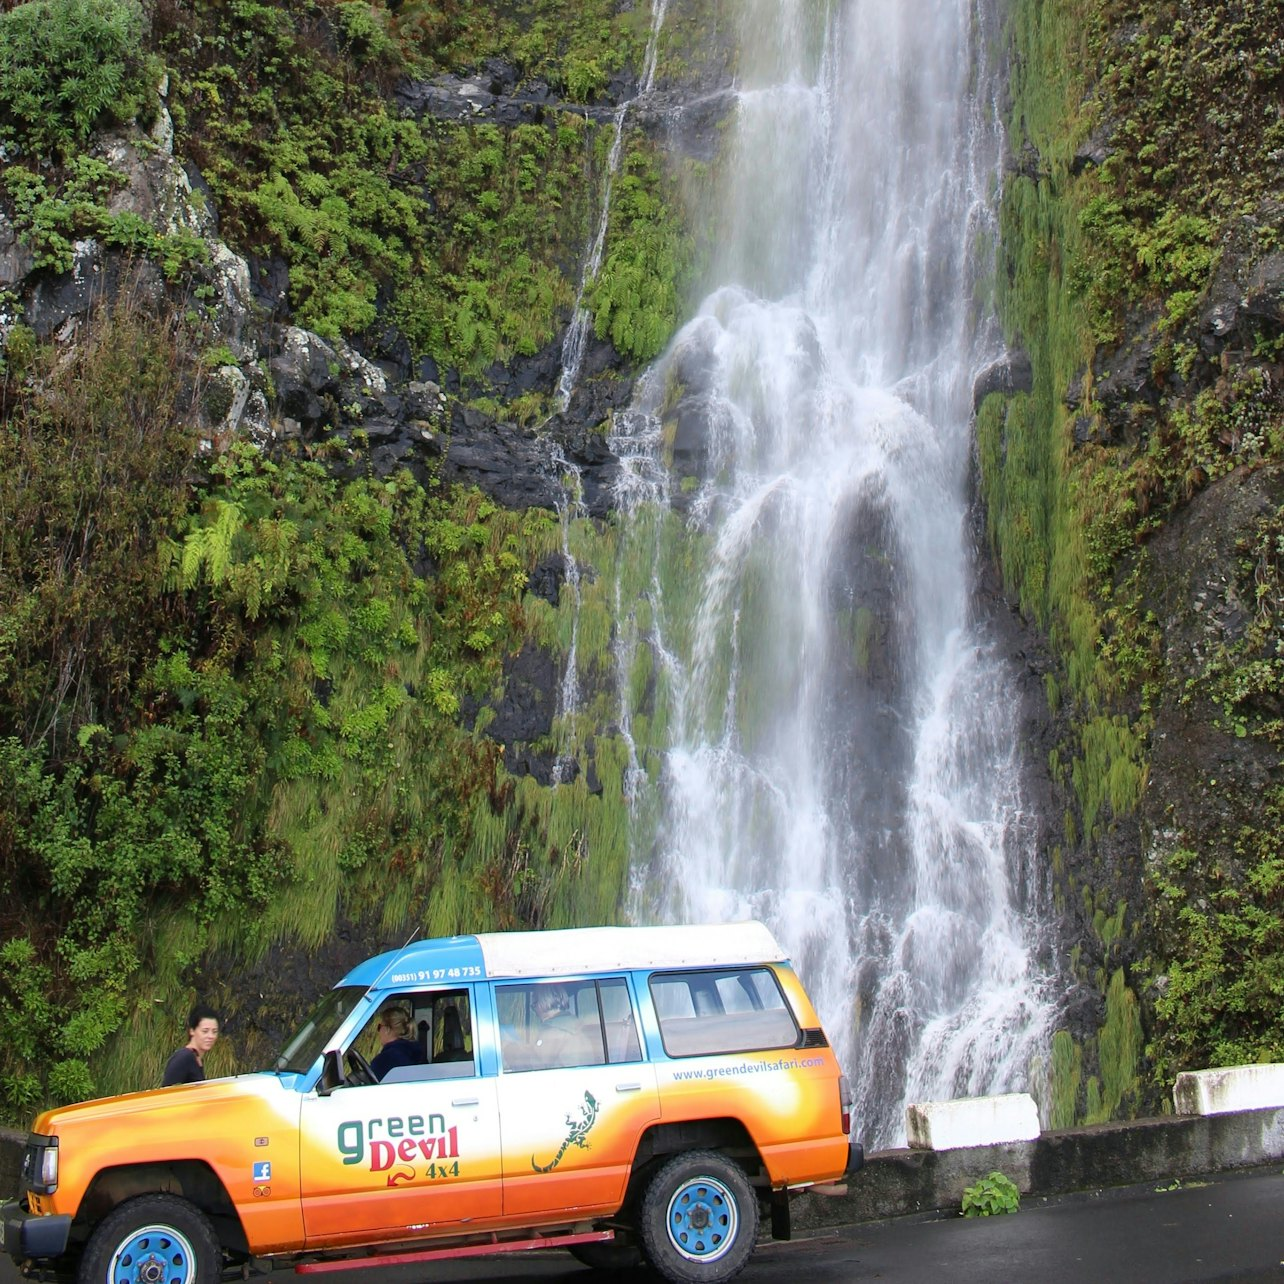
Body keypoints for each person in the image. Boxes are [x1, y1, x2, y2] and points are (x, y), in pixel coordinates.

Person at [162, 1004, 220, 1086]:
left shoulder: (196, 1057)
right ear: (192, 1031)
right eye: (205, 1031)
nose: (210, 1036)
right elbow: (166, 1092)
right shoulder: (184, 1057)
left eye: (214, 1032)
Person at [370, 1005, 424, 1081]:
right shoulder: (417, 1054)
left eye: (379, 1027)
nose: (378, 1031)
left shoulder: (385, 1060)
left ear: (387, 1029)